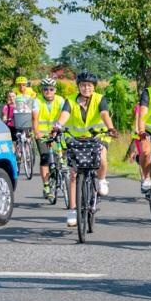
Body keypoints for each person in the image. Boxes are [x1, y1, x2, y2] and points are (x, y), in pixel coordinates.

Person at [55, 70, 115, 228]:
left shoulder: (100, 99)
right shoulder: (70, 101)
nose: (86, 88)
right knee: (74, 174)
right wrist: (57, 126)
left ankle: (101, 180)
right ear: (78, 87)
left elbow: (104, 114)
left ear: (94, 87)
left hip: (97, 137)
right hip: (76, 139)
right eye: (83, 85)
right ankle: (72, 211)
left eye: (89, 85)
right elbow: (64, 115)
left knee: (102, 158)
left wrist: (110, 127)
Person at [33, 76, 68, 200]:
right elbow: (35, 118)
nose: (48, 91)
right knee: (45, 158)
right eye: (45, 89)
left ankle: (60, 173)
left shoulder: (60, 100)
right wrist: (37, 132)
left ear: (55, 90)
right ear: (42, 91)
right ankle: (46, 185)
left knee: (63, 154)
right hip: (42, 134)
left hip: (56, 132)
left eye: (51, 89)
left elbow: (66, 115)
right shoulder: (37, 101)